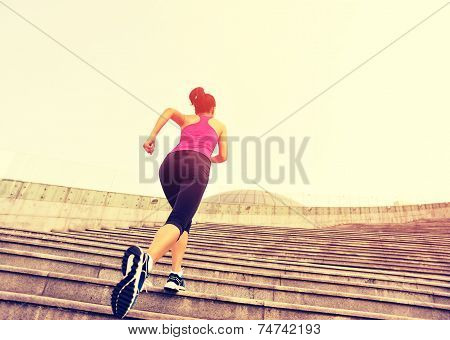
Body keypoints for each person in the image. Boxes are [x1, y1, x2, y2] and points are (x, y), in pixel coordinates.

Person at [111, 87, 228, 318]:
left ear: (196, 106)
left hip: (170, 165)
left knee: (183, 219)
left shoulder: (187, 118)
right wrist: (209, 158)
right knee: (179, 218)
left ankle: (176, 274)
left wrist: (152, 137)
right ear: (213, 108)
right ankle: (147, 262)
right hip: (197, 163)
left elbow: (168, 110)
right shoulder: (219, 124)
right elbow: (223, 156)